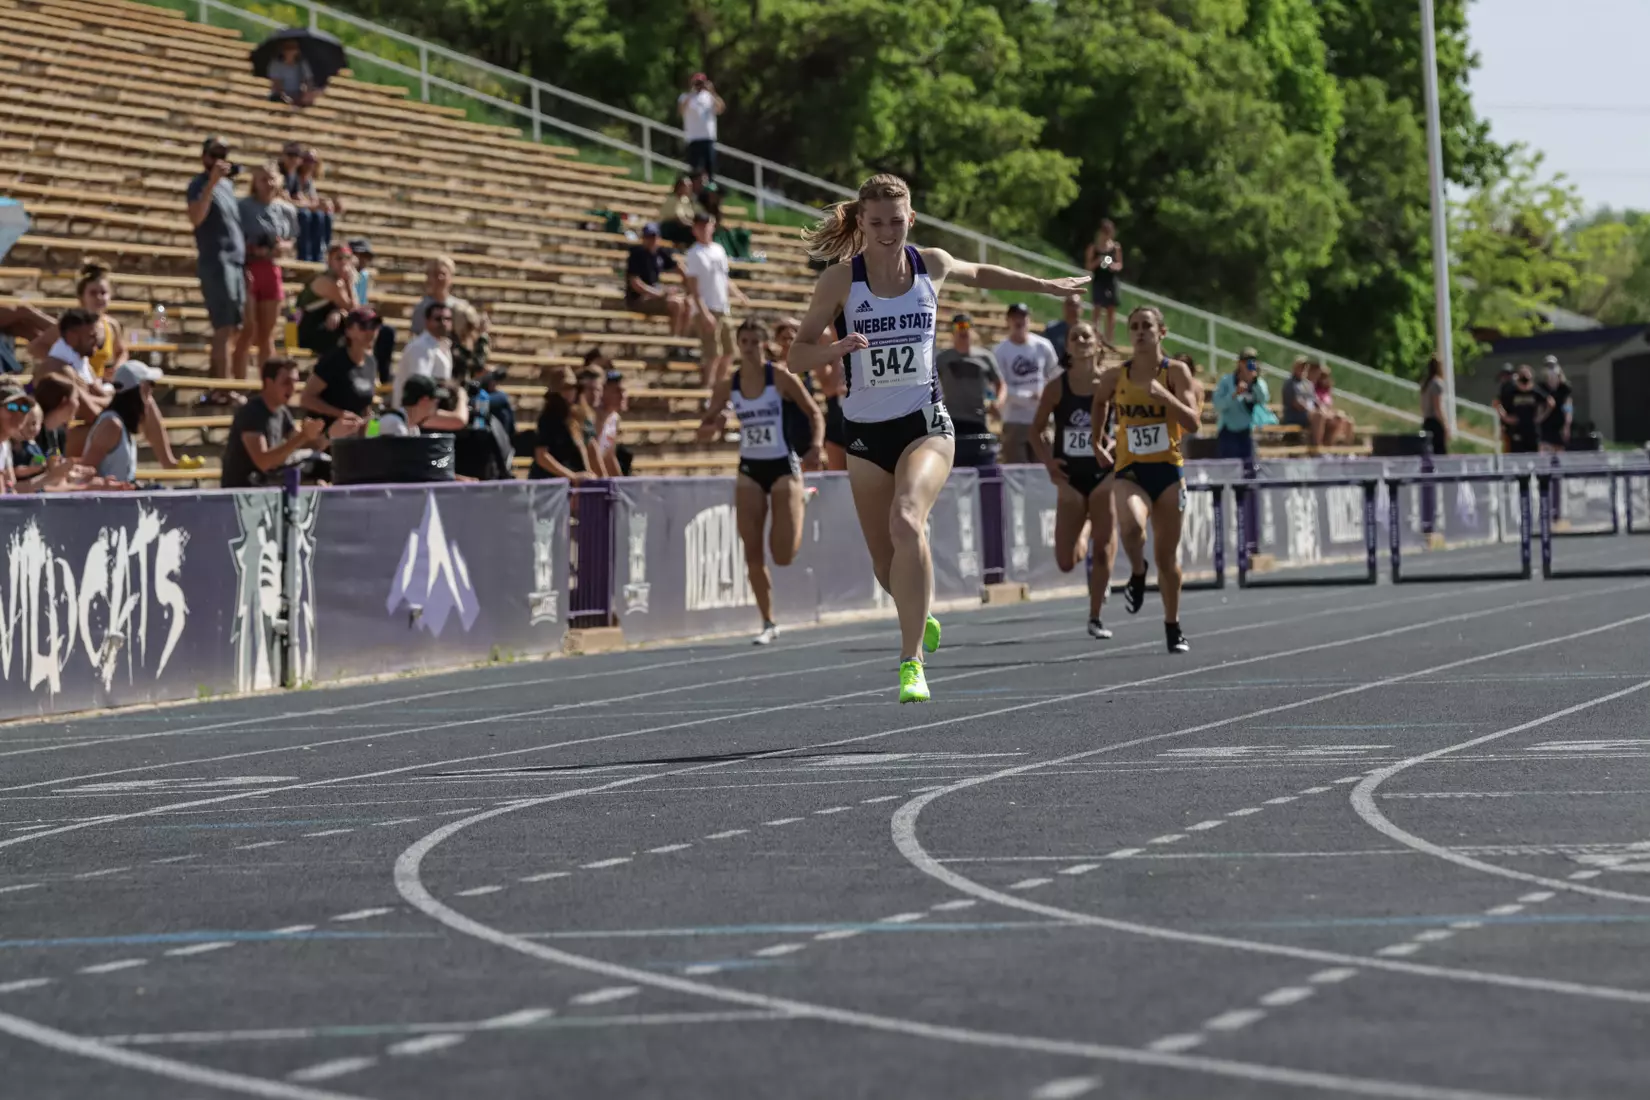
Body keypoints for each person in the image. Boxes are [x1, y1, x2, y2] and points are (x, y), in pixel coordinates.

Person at [787, 173, 1088, 702]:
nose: (887, 232)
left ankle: (911, 663)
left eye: (896, 221)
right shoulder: (840, 280)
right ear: (861, 222)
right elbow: (796, 355)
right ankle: (918, 612)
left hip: (925, 423)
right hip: (862, 431)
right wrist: (838, 351)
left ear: (912, 219)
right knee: (886, 563)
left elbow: (981, 273)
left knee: (907, 520)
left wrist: (1044, 286)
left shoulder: (932, 264)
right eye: (876, 222)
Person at [698, 319, 823, 645]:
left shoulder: (779, 377)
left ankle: (801, 499)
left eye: (755, 342)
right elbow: (707, 425)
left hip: (783, 466)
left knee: (782, 555)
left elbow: (814, 413)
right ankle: (768, 621)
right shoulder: (728, 385)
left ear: (764, 345)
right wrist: (716, 425)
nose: (750, 348)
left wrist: (816, 446)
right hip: (750, 469)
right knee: (752, 552)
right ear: (738, 345)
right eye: (744, 342)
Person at [1091, 305, 1202, 655]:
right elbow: (1098, 404)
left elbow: (1194, 423)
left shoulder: (1176, 372)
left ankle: (1172, 626)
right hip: (1131, 469)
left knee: (1168, 558)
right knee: (1131, 528)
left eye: (1147, 326)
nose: (1140, 332)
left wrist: (1163, 397)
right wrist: (1096, 439)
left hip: (1168, 470)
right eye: (1134, 326)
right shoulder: (1115, 376)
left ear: (1161, 333)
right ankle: (1138, 570)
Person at [1030, 322, 1117, 639]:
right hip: (1070, 476)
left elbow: (1130, 421)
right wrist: (1049, 463)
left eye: (1086, 336)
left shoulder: (1112, 383)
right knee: (1066, 561)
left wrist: (1115, 445)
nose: (1080, 341)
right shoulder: (1057, 387)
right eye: (1074, 337)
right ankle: (1087, 529)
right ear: (1067, 346)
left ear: (1098, 344)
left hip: (1104, 473)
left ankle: (1095, 616)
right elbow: (1035, 429)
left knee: (1105, 549)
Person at [222, 357, 359, 488]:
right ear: (269, 383)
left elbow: (307, 446)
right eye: (286, 382)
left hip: (266, 486)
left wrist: (330, 435)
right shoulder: (251, 412)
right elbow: (264, 462)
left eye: (294, 382)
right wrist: (303, 436)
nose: (292, 388)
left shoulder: (282, 411)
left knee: (322, 470)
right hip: (243, 491)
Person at [185, 136, 245, 394]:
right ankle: (224, 386)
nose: (218, 160)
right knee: (224, 325)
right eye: (213, 154)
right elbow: (196, 219)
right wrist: (210, 184)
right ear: (204, 157)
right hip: (217, 259)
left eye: (223, 154)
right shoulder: (198, 184)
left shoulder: (229, 187)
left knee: (236, 326)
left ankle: (218, 382)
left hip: (236, 261)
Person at [235, 164, 296, 381]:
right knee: (247, 330)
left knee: (267, 334)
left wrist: (282, 247)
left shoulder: (286, 210)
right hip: (249, 266)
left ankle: (266, 384)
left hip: (271, 267)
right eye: (263, 179)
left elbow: (291, 241)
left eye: (272, 179)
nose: (268, 184)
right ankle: (238, 382)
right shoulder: (243, 206)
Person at [684, 213, 747, 386]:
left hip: (722, 307)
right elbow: (693, 287)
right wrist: (703, 313)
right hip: (707, 308)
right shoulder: (694, 253)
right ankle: (707, 390)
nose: (705, 229)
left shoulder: (719, 249)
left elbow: (724, 278)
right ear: (695, 229)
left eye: (707, 225)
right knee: (713, 354)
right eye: (701, 226)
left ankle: (719, 387)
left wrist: (738, 294)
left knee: (729, 352)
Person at [995, 303, 1060, 464]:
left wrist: (1046, 393)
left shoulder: (1043, 346)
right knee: (1016, 473)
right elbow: (1000, 386)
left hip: (1042, 419)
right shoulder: (1000, 351)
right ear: (1008, 321)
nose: (1019, 321)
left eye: (1023, 316)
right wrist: (1029, 397)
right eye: (1015, 317)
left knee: (1043, 471)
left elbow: (1056, 375)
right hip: (1014, 420)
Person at [934, 312, 1005, 461]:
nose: (963, 330)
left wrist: (997, 402)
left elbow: (1000, 384)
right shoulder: (943, 358)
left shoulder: (985, 357)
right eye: (958, 326)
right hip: (951, 418)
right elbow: (930, 383)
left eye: (966, 326)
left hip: (977, 419)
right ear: (952, 332)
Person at [81, 363, 166, 483]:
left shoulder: (120, 423)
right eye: (151, 384)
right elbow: (84, 474)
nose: (152, 391)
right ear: (140, 388)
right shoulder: (111, 425)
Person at [300, 309, 381, 431]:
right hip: (325, 437)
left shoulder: (371, 362)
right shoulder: (333, 361)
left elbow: (364, 405)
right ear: (348, 331)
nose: (371, 332)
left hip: (353, 439)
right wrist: (340, 414)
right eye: (364, 326)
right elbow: (306, 399)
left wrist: (373, 431)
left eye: (375, 326)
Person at [530, 365, 599, 481]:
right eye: (565, 388)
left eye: (572, 388)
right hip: (550, 485)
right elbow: (541, 455)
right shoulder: (548, 418)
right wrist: (571, 476)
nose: (570, 392)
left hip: (570, 485)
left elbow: (584, 448)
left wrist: (589, 474)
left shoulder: (577, 416)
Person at [624, 224, 692, 336]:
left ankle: (683, 341)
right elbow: (636, 284)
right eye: (649, 237)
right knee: (676, 304)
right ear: (643, 238)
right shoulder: (636, 255)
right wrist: (659, 293)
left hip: (654, 295)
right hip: (639, 299)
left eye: (654, 237)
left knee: (688, 303)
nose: (652, 240)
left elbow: (679, 267)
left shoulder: (660, 253)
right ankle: (673, 343)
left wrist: (688, 286)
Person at [293, 243, 358, 357]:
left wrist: (339, 312)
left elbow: (356, 312)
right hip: (309, 329)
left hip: (326, 325)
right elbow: (353, 309)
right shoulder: (326, 281)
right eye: (339, 258)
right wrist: (350, 283)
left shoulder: (340, 281)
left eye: (347, 258)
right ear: (330, 261)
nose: (343, 262)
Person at [346, 238, 397, 379]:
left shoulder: (363, 276)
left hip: (358, 316)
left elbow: (361, 302)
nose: (363, 260)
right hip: (346, 318)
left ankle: (383, 373)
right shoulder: (343, 275)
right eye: (360, 255)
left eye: (366, 257)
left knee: (386, 332)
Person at [1211, 348, 1273, 461]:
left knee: (1249, 470)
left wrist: (1254, 382)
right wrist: (1234, 394)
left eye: (1253, 361)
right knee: (1229, 468)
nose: (1250, 364)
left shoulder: (1258, 383)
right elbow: (1217, 405)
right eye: (1246, 361)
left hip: (1247, 431)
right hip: (1228, 431)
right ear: (1239, 363)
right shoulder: (1226, 381)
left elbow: (1263, 400)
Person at [393, 301, 454, 406]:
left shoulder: (443, 344)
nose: (443, 323)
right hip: (413, 414)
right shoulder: (420, 347)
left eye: (447, 319)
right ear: (427, 321)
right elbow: (419, 386)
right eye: (438, 319)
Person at [372, 373, 469, 437]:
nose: (437, 403)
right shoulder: (394, 424)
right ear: (424, 401)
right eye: (435, 399)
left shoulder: (413, 428)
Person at [288, 148, 337, 262]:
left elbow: (312, 199)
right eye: (307, 160)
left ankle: (320, 252)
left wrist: (324, 203)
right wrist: (313, 204)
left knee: (325, 215)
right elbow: (295, 198)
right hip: (295, 211)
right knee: (309, 215)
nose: (309, 164)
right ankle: (305, 255)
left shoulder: (308, 180)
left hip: (304, 209)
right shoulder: (294, 177)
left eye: (313, 161)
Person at [1495, 364, 1553, 455]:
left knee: (1533, 456)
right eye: (1522, 380)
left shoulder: (1535, 392)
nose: (1524, 384)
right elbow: (1497, 403)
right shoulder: (1511, 391)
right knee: (1516, 456)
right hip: (1516, 429)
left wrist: (1541, 417)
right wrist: (1506, 417)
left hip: (1532, 430)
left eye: (1527, 380)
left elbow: (1550, 402)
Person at [1083, 220, 1124, 346]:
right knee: (1097, 308)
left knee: (1111, 309)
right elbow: (1088, 266)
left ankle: (1109, 339)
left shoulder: (1115, 247)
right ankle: (1094, 336)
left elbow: (1120, 264)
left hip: (1111, 280)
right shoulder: (1093, 247)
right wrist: (1098, 262)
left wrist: (1112, 266)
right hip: (1099, 279)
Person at [678, 73, 725, 179]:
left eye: (701, 83)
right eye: (697, 83)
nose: (699, 85)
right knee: (694, 170)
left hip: (708, 138)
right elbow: (681, 110)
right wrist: (691, 92)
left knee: (710, 168)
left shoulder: (709, 97)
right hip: (693, 138)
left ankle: (709, 191)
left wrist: (712, 92)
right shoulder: (685, 97)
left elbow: (721, 108)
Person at [593, 369, 631, 477]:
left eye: (623, 391)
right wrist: (603, 480)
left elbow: (609, 456)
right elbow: (592, 455)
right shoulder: (593, 417)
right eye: (617, 391)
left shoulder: (615, 418)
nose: (622, 396)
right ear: (604, 392)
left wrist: (620, 484)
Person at [267, 39, 318, 107]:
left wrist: (307, 93)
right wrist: (287, 98)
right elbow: (277, 85)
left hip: (298, 93)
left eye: (293, 48)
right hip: (279, 94)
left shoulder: (302, 63)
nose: (291, 51)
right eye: (288, 48)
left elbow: (308, 80)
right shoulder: (276, 64)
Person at [1314, 364, 1356, 447]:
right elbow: (1317, 405)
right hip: (1321, 414)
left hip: (1329, 413)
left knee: (1349, 421)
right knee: (1338, 419)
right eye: (1323, 377)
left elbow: (1330, 406)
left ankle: (1348, 447)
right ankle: (1330, 445)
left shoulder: (1326, 392)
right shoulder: (1314, 390)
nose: (1326, 379)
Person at [1539, 356, 1573, 453]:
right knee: (1545, 452)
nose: (1550, 369)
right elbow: (1540, 410)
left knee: (1559, 453)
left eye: (1552, 366)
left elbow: (1568, 407)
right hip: (1546, 424)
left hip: (1559, 424)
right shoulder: (1541, 388)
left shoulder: (1564, 388)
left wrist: (1567, 426)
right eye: (1548, 366)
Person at [1042, 294, 1083, 371]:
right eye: (1070, 304)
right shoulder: (1052, 329)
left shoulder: (1087, 333)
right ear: (1064, 307)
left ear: (1081, 309)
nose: (1073, 308)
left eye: (1076, 305)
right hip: (1054, 371)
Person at [657, 176, 699, 247]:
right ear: (678, 187)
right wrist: (694, 226)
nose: (689, 188)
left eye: (690, 186)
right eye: (686, 186)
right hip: (667, 228)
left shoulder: (686, 201)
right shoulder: (671, 200)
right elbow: (679, 220)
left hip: (681, 228)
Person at [1419, 355, 1449, 456]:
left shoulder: (1425, 384)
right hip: (1435, 423)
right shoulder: (1437, 384)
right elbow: (1438, 408)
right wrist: (1445, 425)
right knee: (1440, 453)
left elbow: (1422, 406)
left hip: (1427, 421)